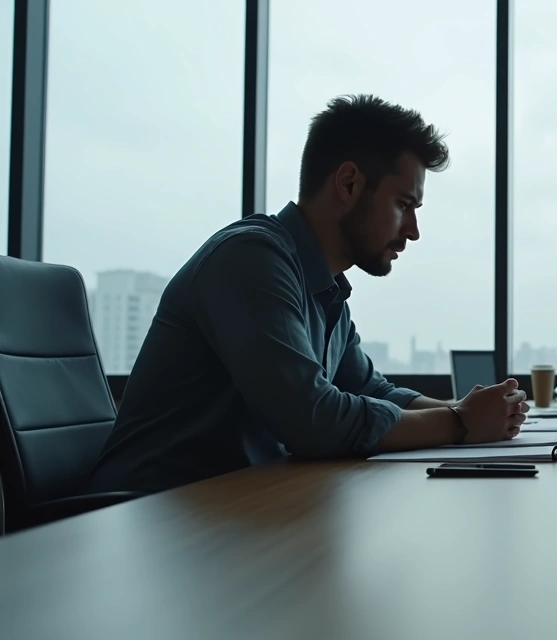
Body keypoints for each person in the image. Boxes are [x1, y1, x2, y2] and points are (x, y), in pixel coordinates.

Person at [90, 94, 528, 495]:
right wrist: (458, 423)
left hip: (233, 508)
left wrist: (466, 409)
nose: (413, 231)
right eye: (403, 205)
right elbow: (313, 420)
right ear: (349, 183)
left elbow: (368, 387)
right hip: (148, 518)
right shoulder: (251, 259)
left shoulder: (326, 288)